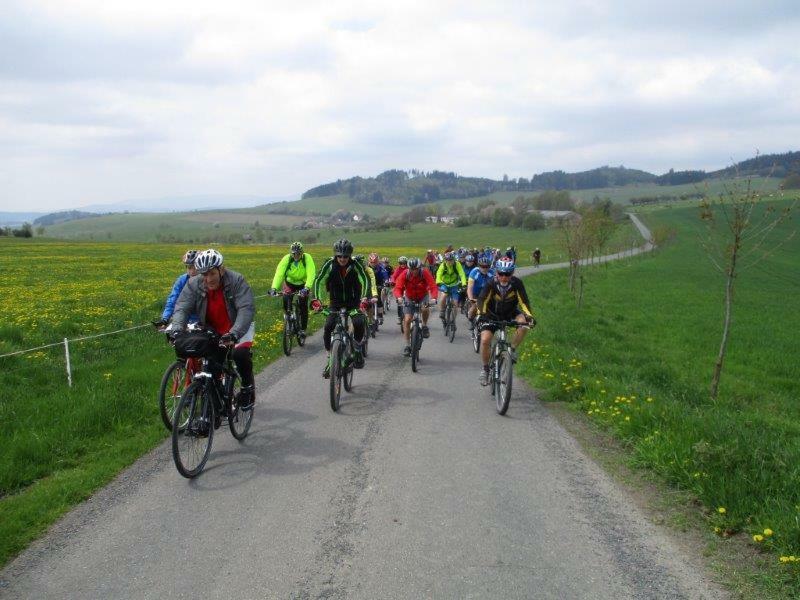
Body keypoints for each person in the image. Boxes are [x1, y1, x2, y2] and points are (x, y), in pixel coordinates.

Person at [171, 249, 257, 410]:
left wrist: (234, 333)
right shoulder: (194, 283)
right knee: (210, 364)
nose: (208, 279)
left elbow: (246, 309)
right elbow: (182, 307)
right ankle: (214, 407)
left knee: (240, 354)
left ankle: (247, 388)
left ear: (221, 269)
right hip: (214, 329)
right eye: (204, 275)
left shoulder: (236, 281)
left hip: (239, 326)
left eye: (212, 273)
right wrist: (177, 329)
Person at [311, 239, 369, 378]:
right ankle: (330, 358)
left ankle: (357, 348)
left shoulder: (355, 265)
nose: (342, 259)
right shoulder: (329, 264)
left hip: (353, 301)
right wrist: (316, 299)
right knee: (329, 326)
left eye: (345, 256)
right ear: (335, 255)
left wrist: (364, 299)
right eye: (339, 256)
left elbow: (364, 279)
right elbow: (318, 280)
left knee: (358, 323)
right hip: (335, 302)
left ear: (350, 255)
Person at [475, 259, 534, 386]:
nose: (504, 277)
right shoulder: (491, 283)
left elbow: (524, 301)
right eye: (501, 273)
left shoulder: (517, 283)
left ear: (512, 273)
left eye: (507, 274)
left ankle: (511, 350)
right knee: (485, 340)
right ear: (496, 272)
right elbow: (482, 300)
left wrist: (529, 316)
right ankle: (485, 369)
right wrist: (482, 315)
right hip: (491, 314)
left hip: (510, 312)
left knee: (523, 324)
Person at [270, 241, 316, 339]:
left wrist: (307, 288)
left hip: (303, 285)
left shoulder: (307, 258)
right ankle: (288, 319)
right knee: (286, 300)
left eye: (298, 253)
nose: (296, 256)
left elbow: (311, 273)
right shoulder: (287, 259)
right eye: (294, 254)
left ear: (302, 253)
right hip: (289, 284)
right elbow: (279, 274)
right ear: (291, 253)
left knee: (303, 305)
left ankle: (303, 329)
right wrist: (274, 288)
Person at [393, 257, 438, 356]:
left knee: (425, 308)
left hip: (423, 296)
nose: (414, 271)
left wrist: (434, 298)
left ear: (419, 268)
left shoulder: (425, 273)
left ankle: (425, 326)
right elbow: (398, 287)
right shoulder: (405, 273)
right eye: (411, 269)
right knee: (407, 319)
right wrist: (399, 297)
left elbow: (433, 286)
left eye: (416, 269)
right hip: (409, 297)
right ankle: (407, 345)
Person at [154, 249, 198, 327]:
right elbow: (173, 299)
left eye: (195, 267)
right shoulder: (182, 280)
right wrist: (165, 318)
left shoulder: (207, 280)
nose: (192, 271)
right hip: (184, 318)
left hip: (203, 320)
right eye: (189, 268)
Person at [435, 251, 467, 323]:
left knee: (455, 304)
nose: (449, 262)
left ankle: (453, 321)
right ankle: (442, 311)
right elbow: (439, 274)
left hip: (454, 285)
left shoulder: (457, 264)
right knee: (444, 295)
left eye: (451, 260)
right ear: (445, 260)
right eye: (447, 260)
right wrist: (438, 282)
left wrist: (464, 284)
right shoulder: (443, 265)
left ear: (453, 260)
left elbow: (462, 274)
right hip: (444, 284)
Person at [466, 255, 494, 328]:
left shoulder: (492, 273)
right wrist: (471, 299)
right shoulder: (474, 272)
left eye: (487, 266)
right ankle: (472, 321)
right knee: (474, 308)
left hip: (486, 294)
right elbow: (470, 288)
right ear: (479, 266)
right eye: (482, 266)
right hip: (475, 293)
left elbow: (495, 287)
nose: (484, 269)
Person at [370, 253, 392, 323]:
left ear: (378, 261)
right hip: (370, 285)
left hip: (379, 284)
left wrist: (386, 281)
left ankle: (380, 315)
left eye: (375, 262)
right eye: (372, 262)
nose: (373, 264)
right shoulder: (367, 267)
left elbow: (385, 275)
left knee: (379, 299)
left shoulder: (381, 267)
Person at [390, 256, 409, 326]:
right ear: (399, 263)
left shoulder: (409, 269)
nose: (403, 265)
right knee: (399, 302)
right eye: (401, 263)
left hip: (407, 287)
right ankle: (399, 317)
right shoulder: (398, 269)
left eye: (404, 263)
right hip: (400, 287)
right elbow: (393, 276)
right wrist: (392, 281)